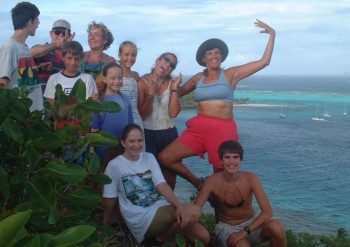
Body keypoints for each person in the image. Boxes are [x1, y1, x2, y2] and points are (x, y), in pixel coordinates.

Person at [158, 20, 276, 190]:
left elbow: (264, 62)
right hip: (198, 128)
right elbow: (177, 91)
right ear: (203, 58)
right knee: (166, 157)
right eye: (210, 53)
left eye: (217, 53)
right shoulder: (199, 77)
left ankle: (220, 216)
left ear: (221, 57)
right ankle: (198, 183)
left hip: (223, 130)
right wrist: (160, 82)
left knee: (222, 178)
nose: (214, 56)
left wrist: (272, 34)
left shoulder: (230, 75)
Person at [103, 124, 210, 246]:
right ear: (123, 143)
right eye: (131, 141)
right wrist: (105, 224)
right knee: (194, 211)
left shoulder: (149, 157)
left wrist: (179, 206)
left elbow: (161, 184)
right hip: (142, 217)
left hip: (161, 208)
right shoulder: (115, 165)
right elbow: (110, 198)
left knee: (204, 237)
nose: (136, 145)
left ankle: (166, 237)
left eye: (140, 140)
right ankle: (159, 239)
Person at [194, 140, 287, 247]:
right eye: (227, 157)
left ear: (241, 160)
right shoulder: (212, 182)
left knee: (277, 227)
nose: (231, 161)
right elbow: (195, 210)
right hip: (228, 226)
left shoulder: (251, 178)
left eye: (235, 157)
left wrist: (244, 231)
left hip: (251, 223)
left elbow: (267, 212)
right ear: (221, 161)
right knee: (242, 245)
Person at [137, 52, 182, 162]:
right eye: (166, 60)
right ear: (158, 60)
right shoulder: (142, 84)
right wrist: (151, 95)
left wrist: (175, 89)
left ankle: (197, 180)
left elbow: (173, 113)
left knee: (170, 173)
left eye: (172, 65)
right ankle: (196, 180)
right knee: (149, 173)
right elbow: (141, 115)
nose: (167, 65)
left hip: (169, 133)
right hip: (147, 134)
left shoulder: (172, 84)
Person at [0, 2, 43, 111]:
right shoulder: (10, 47)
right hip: (21, 118)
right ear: (29, 22)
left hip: (32, 117)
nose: (38, 24)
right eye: (37, 20)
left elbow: (21, 77)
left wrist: (38, 68)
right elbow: (3, 83)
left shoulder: (23, 47)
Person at [91, 62, 134, 163]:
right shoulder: (98, 101)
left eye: (120, 78)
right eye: (112, 78)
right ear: (104, 79)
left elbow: (130, 127)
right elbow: (94, 129)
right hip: (102, 149)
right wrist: (92, 151)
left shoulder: (126, 100)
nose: (117, 81)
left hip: (122, 149)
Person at [44, 40, 97, 105]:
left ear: (81, 59)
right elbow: (51, 103)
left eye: (76, 59)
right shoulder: (54, 78)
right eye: (69, 58)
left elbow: (90, 103)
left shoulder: (88, 79)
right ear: (63, 57)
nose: (73, 62)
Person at [31, 19, 75, 94]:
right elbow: (30, 53)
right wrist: (57, 45)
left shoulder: (73, 57)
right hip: (43, 101)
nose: (60, 35)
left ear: (70, 36)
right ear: (51, 33)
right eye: (57, 32)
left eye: (64, 33)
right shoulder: (43, 51)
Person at [78, 21, 116, 94]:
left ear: (105, 40)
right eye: (90, 35)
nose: (92, 37)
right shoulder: (79, 56)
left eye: (96, 35)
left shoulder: (110, 61)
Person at [118, 41, 143, 129]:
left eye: (133, 55)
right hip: (118, 121)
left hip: (136, 121)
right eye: (126, 54)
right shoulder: (112, 74)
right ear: (119, 55)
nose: (130, 58)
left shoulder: (135, 76)